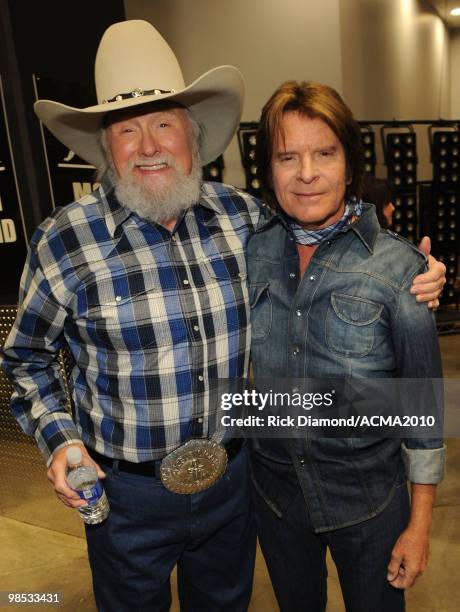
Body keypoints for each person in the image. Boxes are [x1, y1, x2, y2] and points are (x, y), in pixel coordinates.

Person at [0, 20, 445, 612]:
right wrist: (60, 441)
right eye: (128, 130)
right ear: (106, 148)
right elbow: (25, 358)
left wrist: (411, 271)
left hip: (237, 488)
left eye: (164, 124)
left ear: (193, 134)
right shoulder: (63, 241)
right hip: (125, 497)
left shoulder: (243, 221)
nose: (150, 145)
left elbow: (328, 235)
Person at [247, 81, 445, 612]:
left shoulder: (400, 268)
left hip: (371, 506)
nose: (306, 173)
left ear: (350, 165)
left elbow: (422, 412)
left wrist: (419, 526)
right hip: (275, 499)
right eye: (287, 156)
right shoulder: (249, 251)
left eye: (324, 154)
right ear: (268, 169)